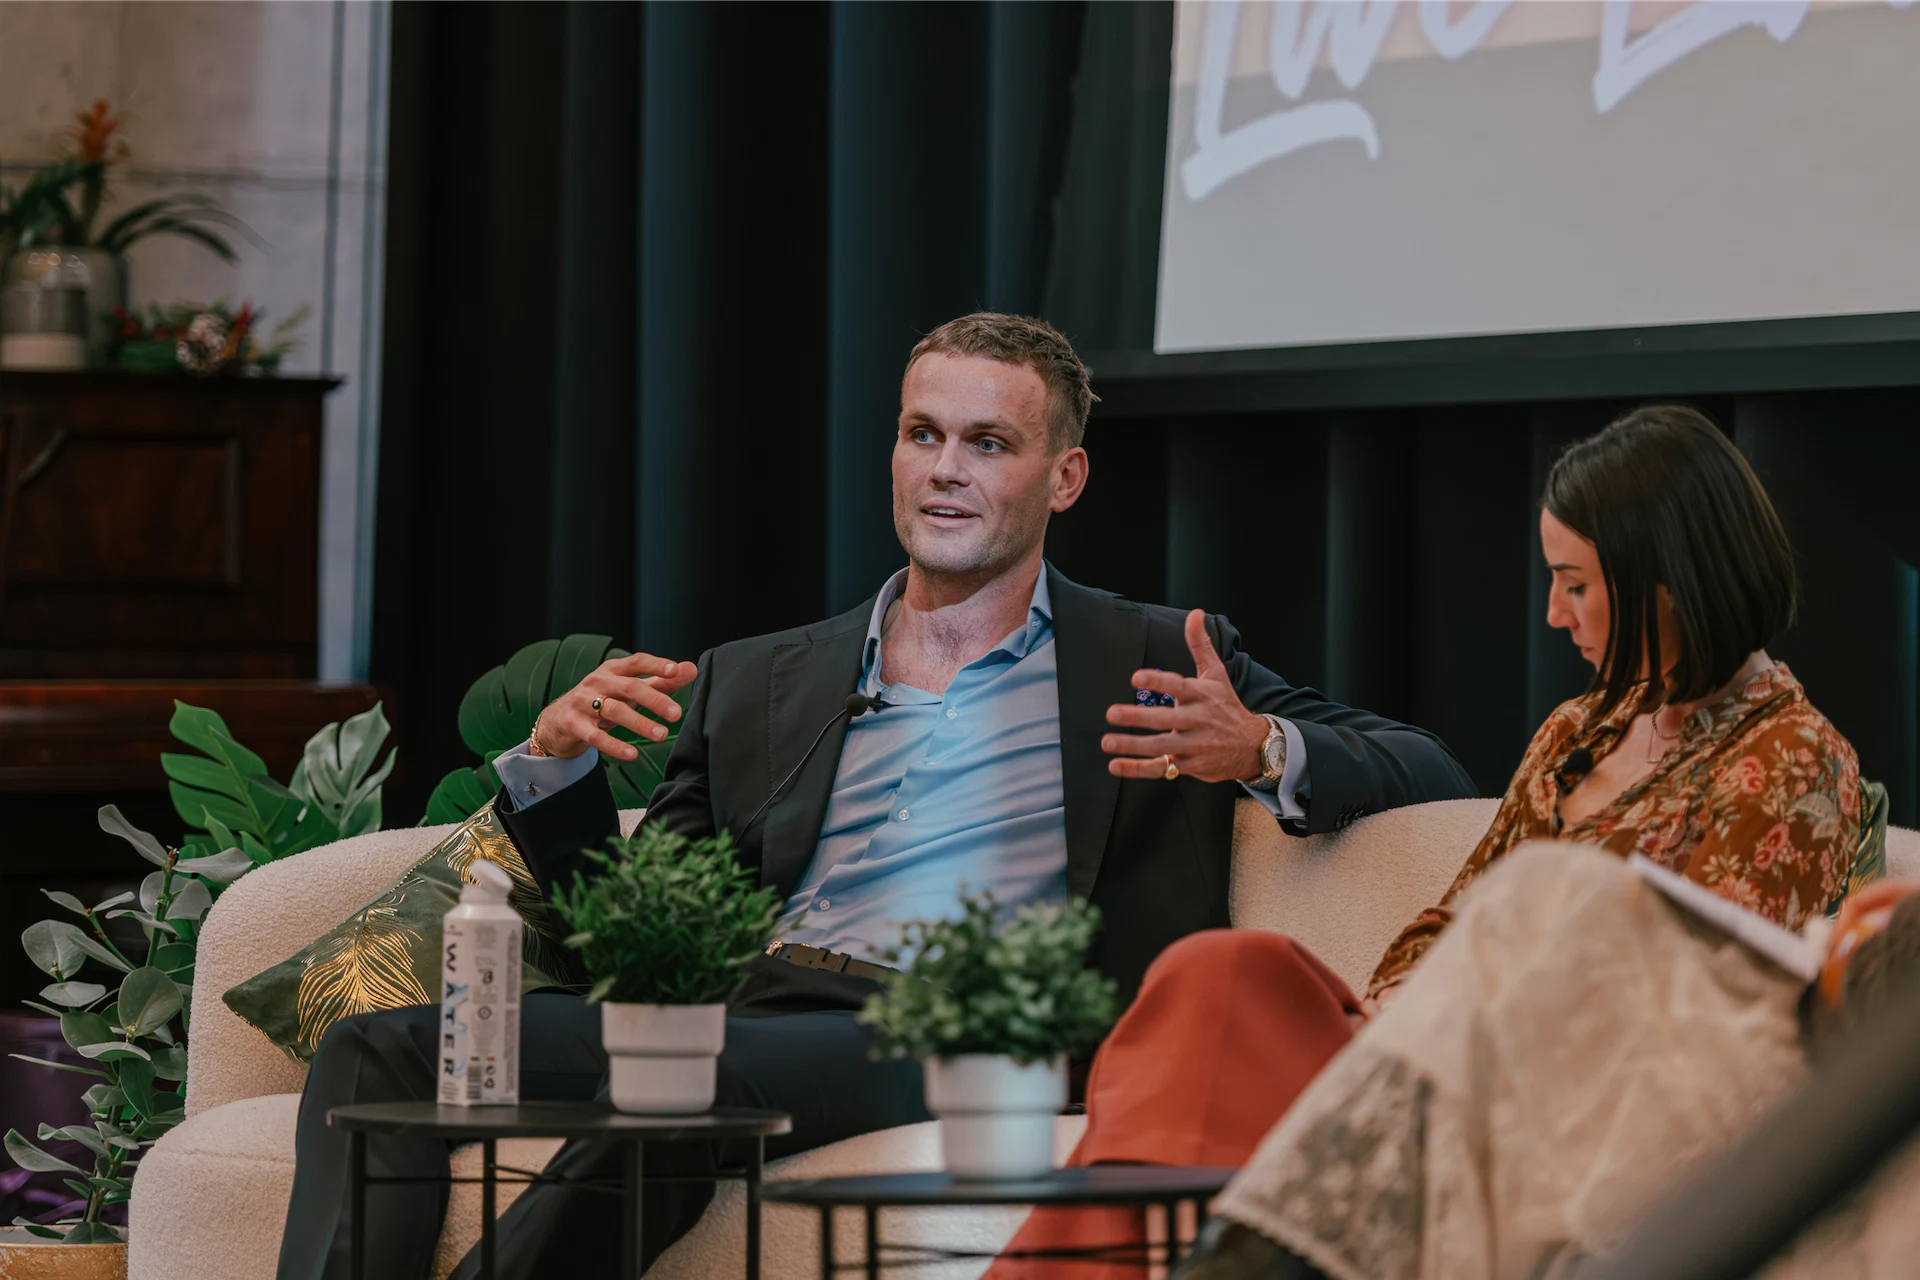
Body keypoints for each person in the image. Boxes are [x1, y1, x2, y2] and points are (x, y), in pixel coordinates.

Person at [273, 312, 1476, 1280]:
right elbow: (636, 933)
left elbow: (1428, 765)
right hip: (758, 1009)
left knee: (689, 1085)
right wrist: (555, 772)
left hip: (960, 1032)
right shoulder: (760, 678)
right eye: (922, 433)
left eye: (988, 443)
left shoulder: (1154, 655)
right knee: (380, 1046)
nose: (946, 469)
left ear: (1064, 476)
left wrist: (1259, 745)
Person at [989, 404, 1864, 1279]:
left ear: (1669, 582)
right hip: (1424, 1055)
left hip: (1544, 1102)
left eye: (1576, 584)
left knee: (1216, 1032)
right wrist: (1394, 1017)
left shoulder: (1794, 760)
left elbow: (1689, 1011)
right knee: (1221, 971)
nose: (1554, 615)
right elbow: (1454, 917)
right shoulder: (1577, 730)